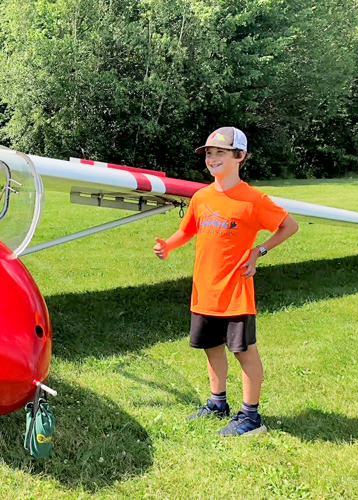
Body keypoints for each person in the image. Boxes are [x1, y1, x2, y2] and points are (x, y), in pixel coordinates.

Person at [153, 127, 298, 436]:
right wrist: (168, 244)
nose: (212, 158)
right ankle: (218, 404)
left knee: (244, 352)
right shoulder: (201, 196)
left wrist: (259, 251)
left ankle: (251, 417)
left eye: (220, 152)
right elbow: (188, 229)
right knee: (212, 348)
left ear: (239, 156)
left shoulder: (253, 199)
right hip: (204, 292)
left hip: (235, 293)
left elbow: (289, 225)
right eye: (208, 153)